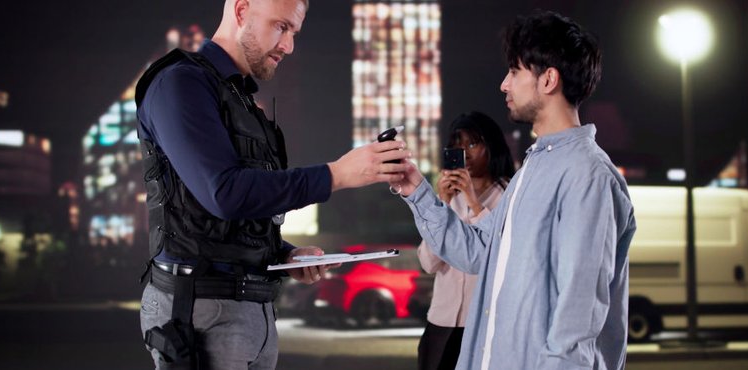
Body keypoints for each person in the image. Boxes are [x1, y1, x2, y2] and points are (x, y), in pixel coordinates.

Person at [134, 0, 410, 369]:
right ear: (243, 10)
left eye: (294, 32)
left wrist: (283, 255)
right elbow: (224, 193)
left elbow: (220, 219)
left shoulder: (241, 100)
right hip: (201, 310)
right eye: (281, 27)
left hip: (251, 307)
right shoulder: (180, 83)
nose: (288, 46)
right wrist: (336, 175)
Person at [390, 10, 636, 370]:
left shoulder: (587, 177)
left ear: (548, 80)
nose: (504, 84)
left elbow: (577, 317)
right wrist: (416, 189)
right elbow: (479, 251)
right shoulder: (531, 171)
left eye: (515, 71)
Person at [417, 111, 515, 370]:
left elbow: (496, 255)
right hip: (441, 322)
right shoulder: (449, 199)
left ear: (491, 146)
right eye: (457, 146)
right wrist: (443, 205)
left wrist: (474, 201)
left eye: (473, 144)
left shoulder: (509, 196)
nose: (465, 153)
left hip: (484, 324)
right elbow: (428, 262)